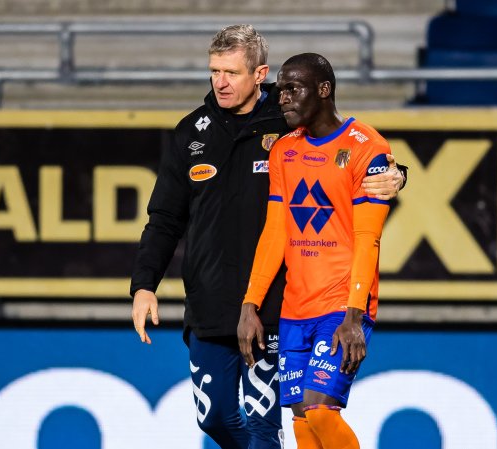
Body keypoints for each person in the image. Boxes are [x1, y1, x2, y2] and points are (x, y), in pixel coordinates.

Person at [131, 26, 405, 449]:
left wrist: (397, 174)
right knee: (214, 418)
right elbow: (164, 218)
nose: (220, 82)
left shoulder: (291, 115)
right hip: (210, 303)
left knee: (273, 421)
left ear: (259, 74)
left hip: (277, 304)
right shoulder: (191, 134)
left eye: (231, 72)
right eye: (214, 71)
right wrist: (144, 283)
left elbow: (355, 158)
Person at [238, 52, 393, 449]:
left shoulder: (367, 147)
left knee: (321, 410)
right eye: (280, 90)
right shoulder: (283, 150)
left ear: (324, 90)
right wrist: (250, 303)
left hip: (341, 305)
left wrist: (354, 315)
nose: (283, 98)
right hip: (295, 307)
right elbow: (275, 232)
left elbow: (368, 238)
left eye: (293, 89)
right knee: (303, 421)